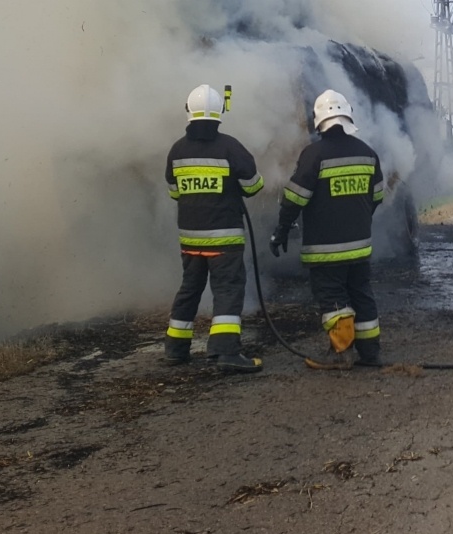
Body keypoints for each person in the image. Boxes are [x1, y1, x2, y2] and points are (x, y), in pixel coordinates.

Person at [270, 89, 386, 368]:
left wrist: (282, 230)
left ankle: (341, 354)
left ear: (318, 121)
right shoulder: (368, 154)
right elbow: (378, 196)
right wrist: (356, 219)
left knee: (334, 300)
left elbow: (294, 198)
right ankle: (370, 354)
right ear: (348, 116)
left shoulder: (314, 155)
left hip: (325, 250)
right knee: (362, 294)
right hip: (360, 246)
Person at [163, 84, 265, 373]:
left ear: (189, 113)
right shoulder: (230, 147)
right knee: (228, 291)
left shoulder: (177, 150)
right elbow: (254, 185)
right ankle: (225, 353)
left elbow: (174, 191)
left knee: (189, 289)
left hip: (190, 239)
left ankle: (175, 350)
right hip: (224, 239)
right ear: (219, 113)